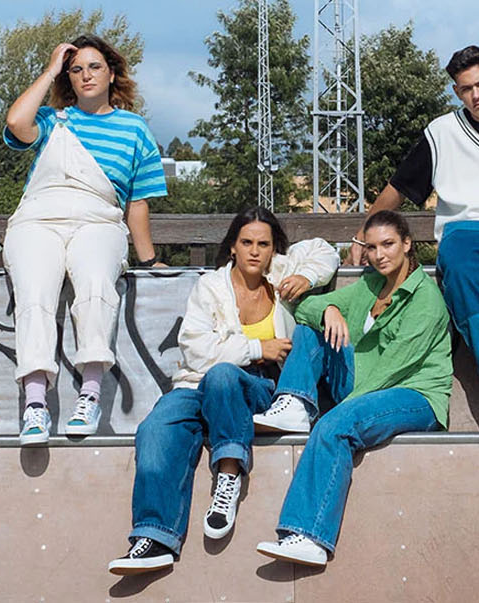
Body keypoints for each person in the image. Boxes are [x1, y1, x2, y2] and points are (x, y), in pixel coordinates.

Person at [108, 207, 339, 574]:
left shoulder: (280, 273)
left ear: (273, 249)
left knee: (224, 378)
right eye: (246, 242)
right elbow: (197, 350)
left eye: (263, 244)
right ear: (232, 246)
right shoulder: (210, 287)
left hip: (256, 388)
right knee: (155, 430)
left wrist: (306, 276)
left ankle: (228, 476)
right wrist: (256, 348)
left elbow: (326, 249)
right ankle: (153, 538)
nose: (254, 251)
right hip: (196, 382)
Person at [344, 45, 479, 432]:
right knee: (458, 275)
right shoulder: (441, 132)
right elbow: (398, 188)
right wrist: (361, 234)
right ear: (457, 92)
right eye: (465, 88)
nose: (476, 94)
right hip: (465, 225)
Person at [253, 211, 452, 567]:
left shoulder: (426, 301)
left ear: (408, 244)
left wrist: (339, 412)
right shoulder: (370, 284)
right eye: (372, 247)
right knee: (312, 329)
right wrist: (330, 307)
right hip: (365, 382)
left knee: (334, 427)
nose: (379, 255)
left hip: (413, 394)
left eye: (388, 245)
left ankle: (311, 537)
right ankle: (294, 403)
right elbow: (304, 309)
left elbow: (392, 370)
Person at [2, 35, 168, 445]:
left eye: (94, 67)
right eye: (76, 70)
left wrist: (148, 262)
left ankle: (89, 393)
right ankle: (35, 404)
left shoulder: (134, 129)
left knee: (95, 284)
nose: (85, 75)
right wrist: (50, 68)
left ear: (112, 73)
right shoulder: (53, 120)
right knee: (35, 293)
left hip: (98, 219)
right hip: (38, 218)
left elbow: (138, 204)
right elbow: (15, 123)